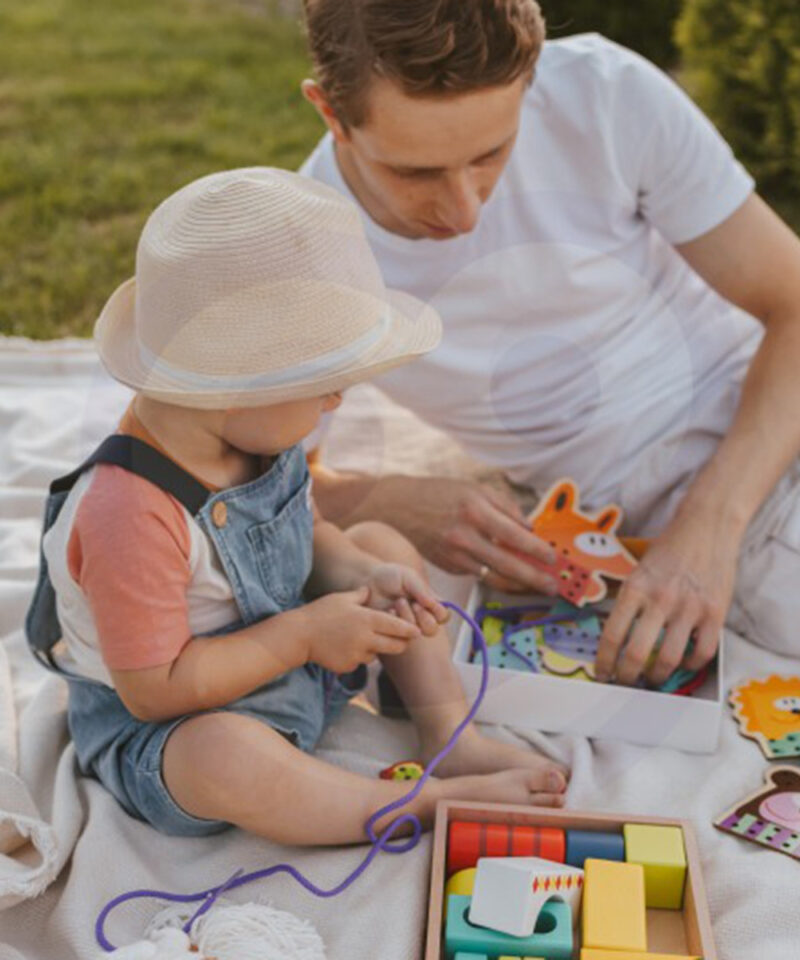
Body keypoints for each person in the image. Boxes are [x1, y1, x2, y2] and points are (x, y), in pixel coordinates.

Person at [24, 168, 567, 845]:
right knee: (224, 759)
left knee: (381, 545)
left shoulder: (256, 437)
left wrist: (359, 578)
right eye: (324, 386)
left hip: (288, 666)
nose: (336, 404)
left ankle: (449, 733)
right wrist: (307, 636)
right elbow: (155, 689)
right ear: (234, 387)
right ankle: (417, 803)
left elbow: (308, 539)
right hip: (170, 722)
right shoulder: (129, 513)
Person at [299, 0, 800, 688]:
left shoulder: (604, 93)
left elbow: (793, 306)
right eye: (415, 173)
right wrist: (385, 497)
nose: (465, 210)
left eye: (492, 154)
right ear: (329, 112)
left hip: (765, 420)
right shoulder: (308, 258)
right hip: (688, 503)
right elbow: (236, 490)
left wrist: (710, 528)